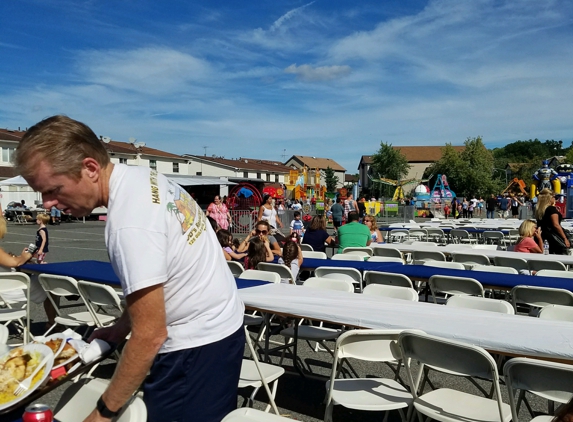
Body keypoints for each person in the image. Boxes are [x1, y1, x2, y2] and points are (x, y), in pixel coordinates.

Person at [15, 115, 245, 422]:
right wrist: (122, 325)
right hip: (221, 327)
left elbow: (150, 335)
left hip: (194, 346)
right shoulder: (142, 178)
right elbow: (163, 279)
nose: (46, 203)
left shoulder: (130, 224)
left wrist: (103, 412)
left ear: (90, 168)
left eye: (53, 190)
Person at [536, 188, 570, 255]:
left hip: (542, 236)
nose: (555, 199)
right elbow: (556, 225)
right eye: (554, 197)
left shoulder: (539, 210)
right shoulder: (551, 209)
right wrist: (565, 238)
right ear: (549, 198)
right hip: (553, 237)